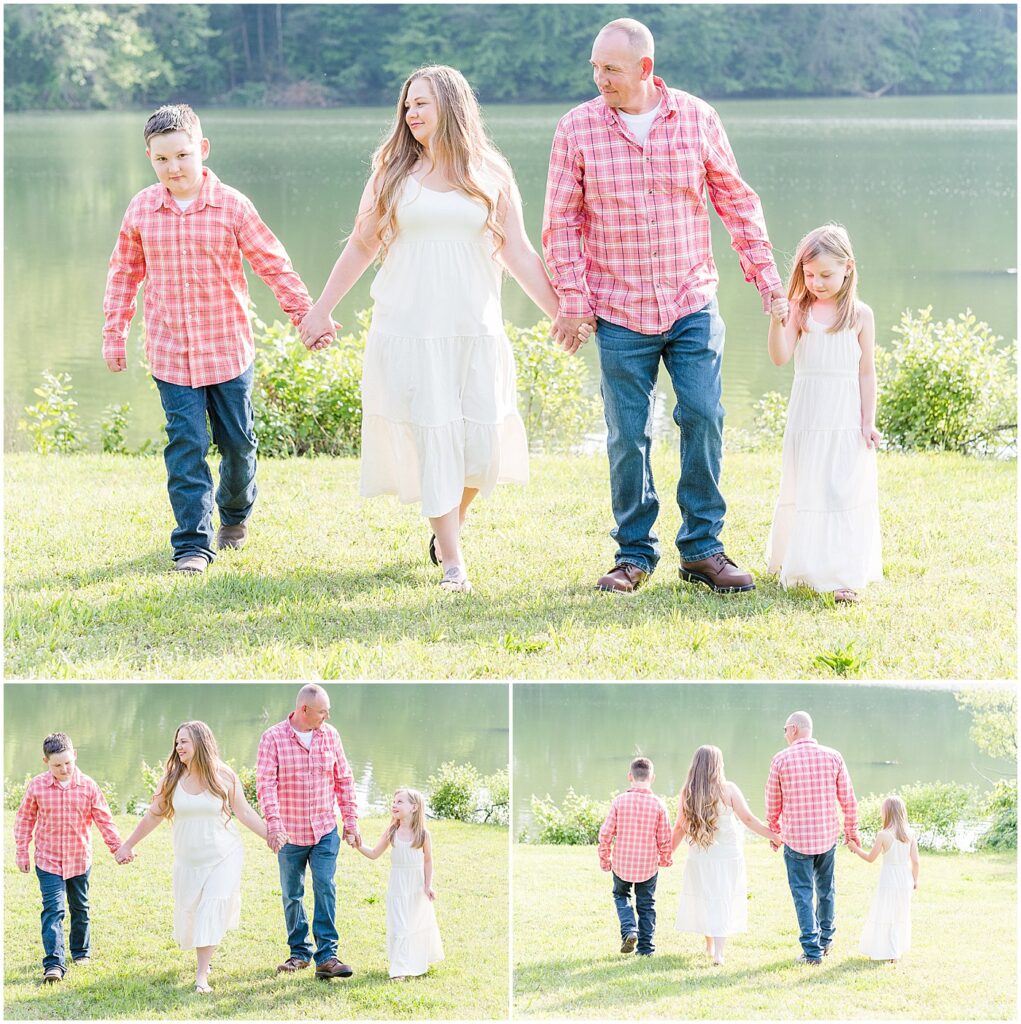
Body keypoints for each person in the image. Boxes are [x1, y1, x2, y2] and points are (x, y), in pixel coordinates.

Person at [297, 65, 588, 594]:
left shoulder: (490, 172)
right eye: (407, 105)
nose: (411, 114)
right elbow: (363, 243)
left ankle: (447, 527)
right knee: (434, 441)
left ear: (452, 107)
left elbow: (518, 252)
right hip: (409, 329)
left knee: (482, 450)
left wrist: (560, 311)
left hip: (474, 329)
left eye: (422, 104)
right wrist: (321, 309)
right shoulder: (391, 172)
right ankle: (454, 562)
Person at [542, 18, 784, 594]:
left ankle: (703, 549)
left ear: (645, 68)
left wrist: (769, 283)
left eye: (612, 70)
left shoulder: (698, 117)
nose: (600, 79)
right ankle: (633, 555)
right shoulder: (575, 128)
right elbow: (561, 223)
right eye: (595, 68)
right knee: (627, 435)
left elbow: (736, 201)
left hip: (690, 299)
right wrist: (573, 298)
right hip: (619, 307)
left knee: (703, 415)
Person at [102, 104, 325, 574]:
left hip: (227, 352)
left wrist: (305, 315)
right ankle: (192, 545)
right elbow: (124, 273)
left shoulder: (232, 206)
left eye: (182, 156)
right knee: (185, 446)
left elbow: (272, 263)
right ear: (149, 158)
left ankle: (235, 515)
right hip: (170, 353)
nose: (174, 168)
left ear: (202, 149)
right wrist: (114, 332)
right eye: (161, 160)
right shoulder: (143, 208)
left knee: (238, 445)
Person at [765, 224, 883, 603]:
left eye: (826, 275)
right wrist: (776, 319)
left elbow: (867, 372)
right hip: (809, 415)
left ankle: (842, 574)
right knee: (809, 486)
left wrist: (868, 421)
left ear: (848, 267)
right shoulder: (801, 312)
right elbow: (780, 357)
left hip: (845, 416)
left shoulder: (861, 316)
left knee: (839, 490)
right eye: (809, 274)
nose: (816, 282)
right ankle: (800, 564)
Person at [114, 721, 268, 993]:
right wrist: (127, 845)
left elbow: (243, 812)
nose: (178, 747)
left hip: (224, 855)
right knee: (193, 912)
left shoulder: (224, 776)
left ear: (200, 742)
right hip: (189, 861)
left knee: (211, 908)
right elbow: (154, 815)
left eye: (184, 741)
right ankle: (204, 962)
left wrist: (271, 836)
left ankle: (201, 977)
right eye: (177, 742)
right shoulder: (172, 779)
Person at [256, 684, 361, 980]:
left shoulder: (331, 735)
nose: (327, 716)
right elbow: (266, 786)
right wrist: (274, 825)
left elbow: (344, 779)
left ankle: (327, 956)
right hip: (290, 833)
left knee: (325, 886)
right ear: (304, 710)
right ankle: (299, 952)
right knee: (293, 894)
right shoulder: (273, 738)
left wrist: (350, 821)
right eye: (322, 711)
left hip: (325, 830)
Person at [14, 733, 129, 984]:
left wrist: (117, 848)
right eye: (57, 765)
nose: (64, 769)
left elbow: (103, 819)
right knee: (53, 911)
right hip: (48, 860)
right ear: (45, 761)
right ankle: (54, 964)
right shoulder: (37, 786)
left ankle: (81, 952)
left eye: (68, 762)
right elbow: (25, 820)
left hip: (79, 859)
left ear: (74, 755)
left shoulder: (88, 786)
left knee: (80, 908)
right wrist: (21, 850)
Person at [765, 711, 859, 965]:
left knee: (803, 894)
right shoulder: (833, 756)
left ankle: (812, 951)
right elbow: (848, 798)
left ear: (794, 729)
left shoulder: (781, 760)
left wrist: (774, 831)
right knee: (826, 890)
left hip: (796, 840)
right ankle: (825, 941)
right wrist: (851, 830)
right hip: (827, 837)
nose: (784, 734)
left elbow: (773, 801)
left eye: (785, 729)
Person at [671, 745, 778, 966]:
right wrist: (773, 835)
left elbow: (680, 827)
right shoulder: (728, 790)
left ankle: (710, 946)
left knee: (707, 898)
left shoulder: (688, 792)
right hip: (727, 857)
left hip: (700, 857)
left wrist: (666, 853)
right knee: (723, 900)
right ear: (717, 765)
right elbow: (748, 819)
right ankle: (718, 952)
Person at [356, 787, 444, 980]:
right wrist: (358, 845)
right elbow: (374, 853)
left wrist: (428, 885)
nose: (394, 805)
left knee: (414, 924)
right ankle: (399, 968)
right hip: (397, 887)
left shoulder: (423, 835)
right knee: (400, 926)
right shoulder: (392, 831)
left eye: (399, 802)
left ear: (414, 807)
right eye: (393, 801)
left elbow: (428, 861)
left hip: (416, 887)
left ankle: (414, 960)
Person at [597, 756, 672, 956]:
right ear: (652, 778)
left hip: (622, 863)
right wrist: (665, 858)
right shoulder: (658, 804)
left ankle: (629, 929)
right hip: (647, 865)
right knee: (646, 905)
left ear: (630, 776)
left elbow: (605, 833)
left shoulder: (619, 801)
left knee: (621, 895)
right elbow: (665, 837)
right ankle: (646, 949)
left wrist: (605, 858)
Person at [848, 796, 919, 963]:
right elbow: (915, 861)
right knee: (900, 914)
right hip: (905, 879)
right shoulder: (910, 833)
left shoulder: (883, 835)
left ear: (886, 813)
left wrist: (855, 848)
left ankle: (891, 952)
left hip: (889, 880)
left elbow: (870, 858)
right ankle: (896, 949)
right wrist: (915, 880)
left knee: (886, 914)